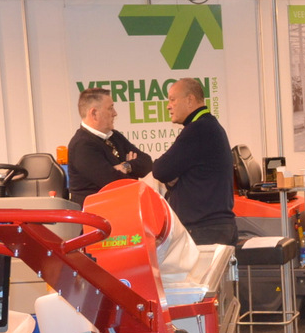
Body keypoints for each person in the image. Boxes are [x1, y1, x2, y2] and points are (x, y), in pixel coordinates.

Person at [154, 77, 237, 246]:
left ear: (190, 99)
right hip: (213, 228)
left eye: (172, 99)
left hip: (204, 231)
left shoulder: (197, 129)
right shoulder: (209, 126)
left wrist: (175, 177)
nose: (168, 106)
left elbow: (160, 170)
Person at [66, 87, 154, 205]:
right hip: (94, 213)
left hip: (118, 208)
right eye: (110, 108)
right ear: (94, 113)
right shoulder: (82, 145)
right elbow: (115, 183)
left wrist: (126, 166)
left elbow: (147, 162)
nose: (115, 113)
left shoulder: (114, 136)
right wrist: (133, 172)